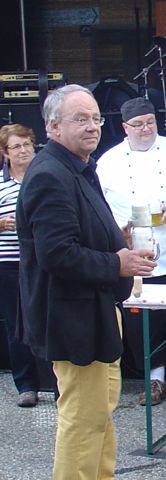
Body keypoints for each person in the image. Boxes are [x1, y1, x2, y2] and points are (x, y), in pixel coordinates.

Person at [17, 84, 156, 480]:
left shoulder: (77, 168)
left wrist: (118, 242)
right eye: (81, 119)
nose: (93, 126)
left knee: (102, 403)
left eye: (96, 117)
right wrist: (116, 261)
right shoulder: (48, 175)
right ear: (53, 126)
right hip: (69, 313)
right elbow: (57, 254)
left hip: (94, 306)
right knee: (81, 411)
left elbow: (82, 231)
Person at [97, 97, 166, 408]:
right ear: (124, 128)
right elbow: (101, 207)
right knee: (143, 321)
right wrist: (121, 229)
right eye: (138, 124)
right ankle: (155, 379)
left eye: (150, 122)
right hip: (135, 252)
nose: (146, 129)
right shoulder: (108, 162)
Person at [0, 124, 57, 407]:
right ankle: (26, 386)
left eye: (27, 144)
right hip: (9, 263)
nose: (24, 151)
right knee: (16, 326)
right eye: (16, 146)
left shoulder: (44, 176)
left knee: (51, 321)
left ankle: (60, 384)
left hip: (42, 260)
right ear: (5, 153)